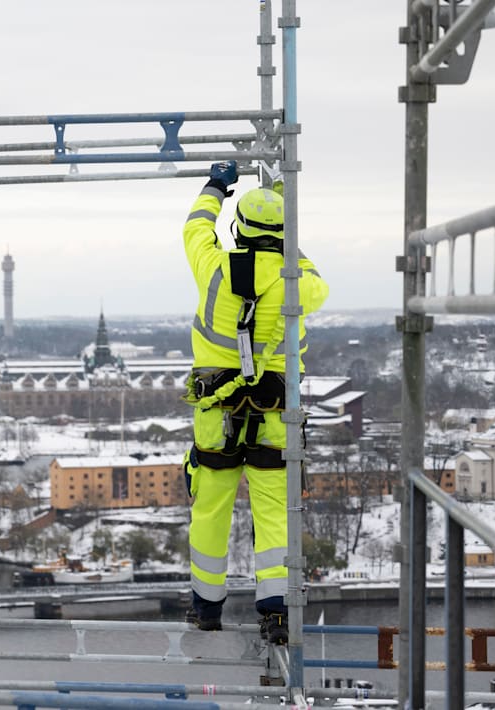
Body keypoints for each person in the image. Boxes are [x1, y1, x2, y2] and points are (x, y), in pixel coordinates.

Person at [181, 160, 329, 644]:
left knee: (210, 509)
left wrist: (216, 185)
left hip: (217, 412)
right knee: (274, 512)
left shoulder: (214, 268)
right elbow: (314, 277)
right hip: (274, 414)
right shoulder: (299, 281)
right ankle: (277, 613)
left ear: (238, 230)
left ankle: (206, 608)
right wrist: (285, 217)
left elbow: (196, 227)